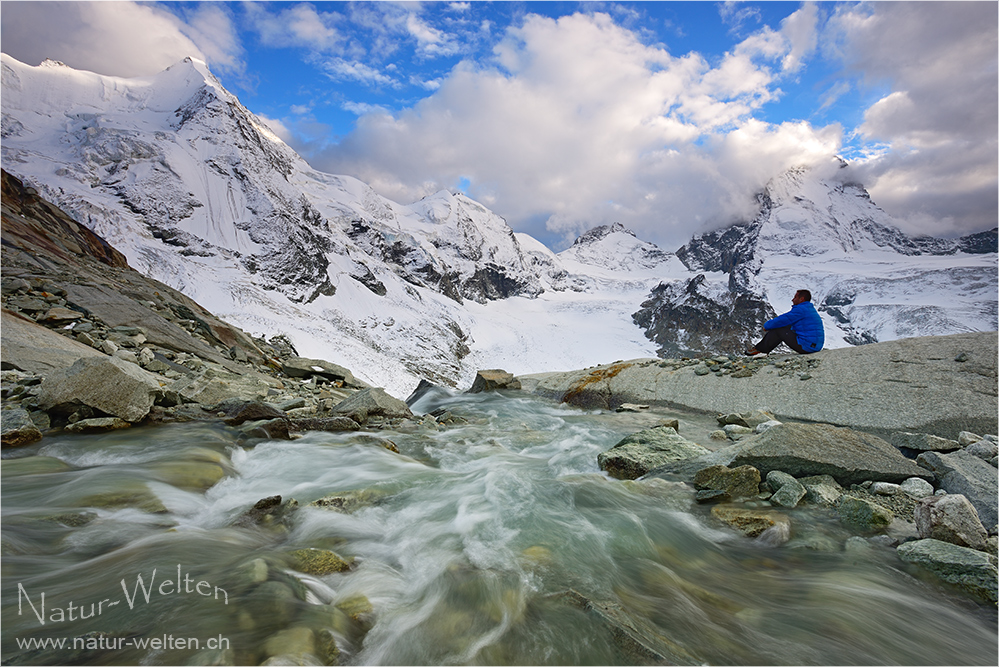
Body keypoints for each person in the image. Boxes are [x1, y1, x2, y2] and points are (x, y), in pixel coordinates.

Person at [745, 289, 824, 355]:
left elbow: (783, 320)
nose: (792, 299)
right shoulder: (807, 308)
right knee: (786, 327)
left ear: (801, 299)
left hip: (808, 347)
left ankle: (760, 350)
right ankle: (760, 349)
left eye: (795, 297)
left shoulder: (801, 310)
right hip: (814, 345)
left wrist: (767, 326)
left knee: (779, 329)